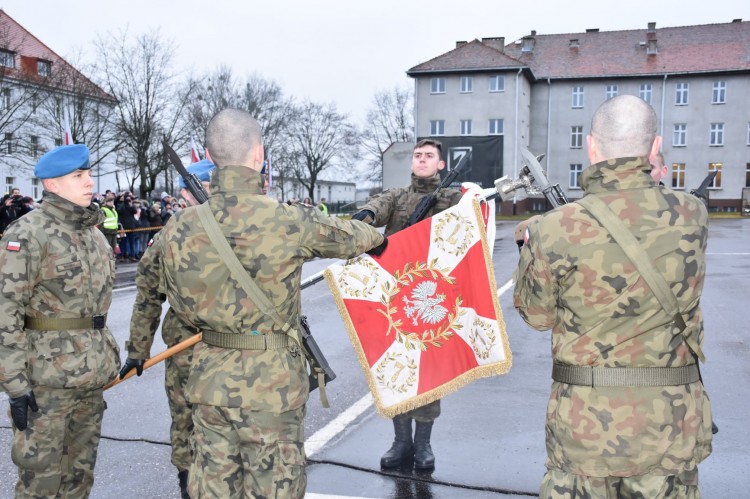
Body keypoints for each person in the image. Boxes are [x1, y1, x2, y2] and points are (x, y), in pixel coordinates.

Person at [121, 109, 385, 498]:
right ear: (258, 154)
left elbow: (147, 286)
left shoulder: (178, 226)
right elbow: (358, 237)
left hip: (208, 381)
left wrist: (137, 350)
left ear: (211, 156)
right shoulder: (288, 219)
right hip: (272, 388)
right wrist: (376, 233)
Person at [513, 95, 712, 497]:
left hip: (586, 434)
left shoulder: (554, 228)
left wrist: (530, 249)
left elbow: (536, 316)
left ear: (591, 147)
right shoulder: (694, 215)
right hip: (671, 429)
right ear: (655, 148)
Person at [0, 144, 121, 498]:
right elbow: (5, 311)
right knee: (41, 482)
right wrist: (15, 384)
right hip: (45, 382)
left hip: (90, 377)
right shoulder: (28, 233)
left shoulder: (94, 235)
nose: (89, 182)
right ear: (52, 185)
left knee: (79, 479)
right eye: (78, 176)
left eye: (87, 174)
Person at [351, 138, 462, 471]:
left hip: (431, 299)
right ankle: (401, 442)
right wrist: (368, 215)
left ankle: (423, 445)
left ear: (441, 164)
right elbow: (380, 204)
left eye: (429, 156)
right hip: (395, 298)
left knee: (428, 372)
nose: (422, 160)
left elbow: (464, 228)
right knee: (396, 369)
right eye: (418, 155)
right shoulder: (398, 195)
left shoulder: (452, 198)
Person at [120, 158, 215, 499]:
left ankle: (194, 482)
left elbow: (147, 294)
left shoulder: (175, 231)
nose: (180, 197)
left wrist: (138, 351)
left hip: (207, 348)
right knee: (197, 420)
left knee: (193, 420)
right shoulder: (173, 233)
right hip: (201, 348)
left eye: (184, 191)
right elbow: (148, 292)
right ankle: (192, 482)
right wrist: (137, 351)